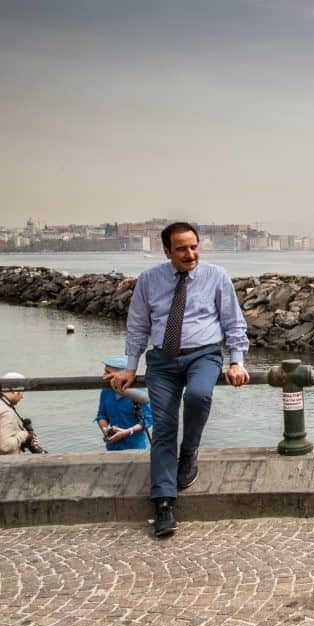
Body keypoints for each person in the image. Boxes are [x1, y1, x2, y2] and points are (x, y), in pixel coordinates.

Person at [108, 221, 250, 539]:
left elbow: (233, 322)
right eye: (182, 248)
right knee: (163, 427)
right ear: (167, 250)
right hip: (162, 361)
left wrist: (237, 362)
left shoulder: (217, 277)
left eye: (194, 246)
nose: (190, 254)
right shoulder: (149, 280)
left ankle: (190, 452)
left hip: (204, 354)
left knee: (199, 396)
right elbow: (138, 326)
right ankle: (163, 504)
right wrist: (130, 367)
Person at [96, 357, 152, 450]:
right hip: (112, 445)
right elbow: (101, 415)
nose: (104, 376)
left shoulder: (139, 394)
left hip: (135, 446)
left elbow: (148, 420)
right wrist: (106, 430)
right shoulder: (106, 391)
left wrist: (128, 431)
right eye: (105, 371)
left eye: (108, 372)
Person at [0, 372, 46, 455]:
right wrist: (24, 436)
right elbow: (5, 446)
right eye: (22, 391)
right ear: (15, 390)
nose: (22, 396)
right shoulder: (6, 412)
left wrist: (24, 442)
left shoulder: (3, 405)